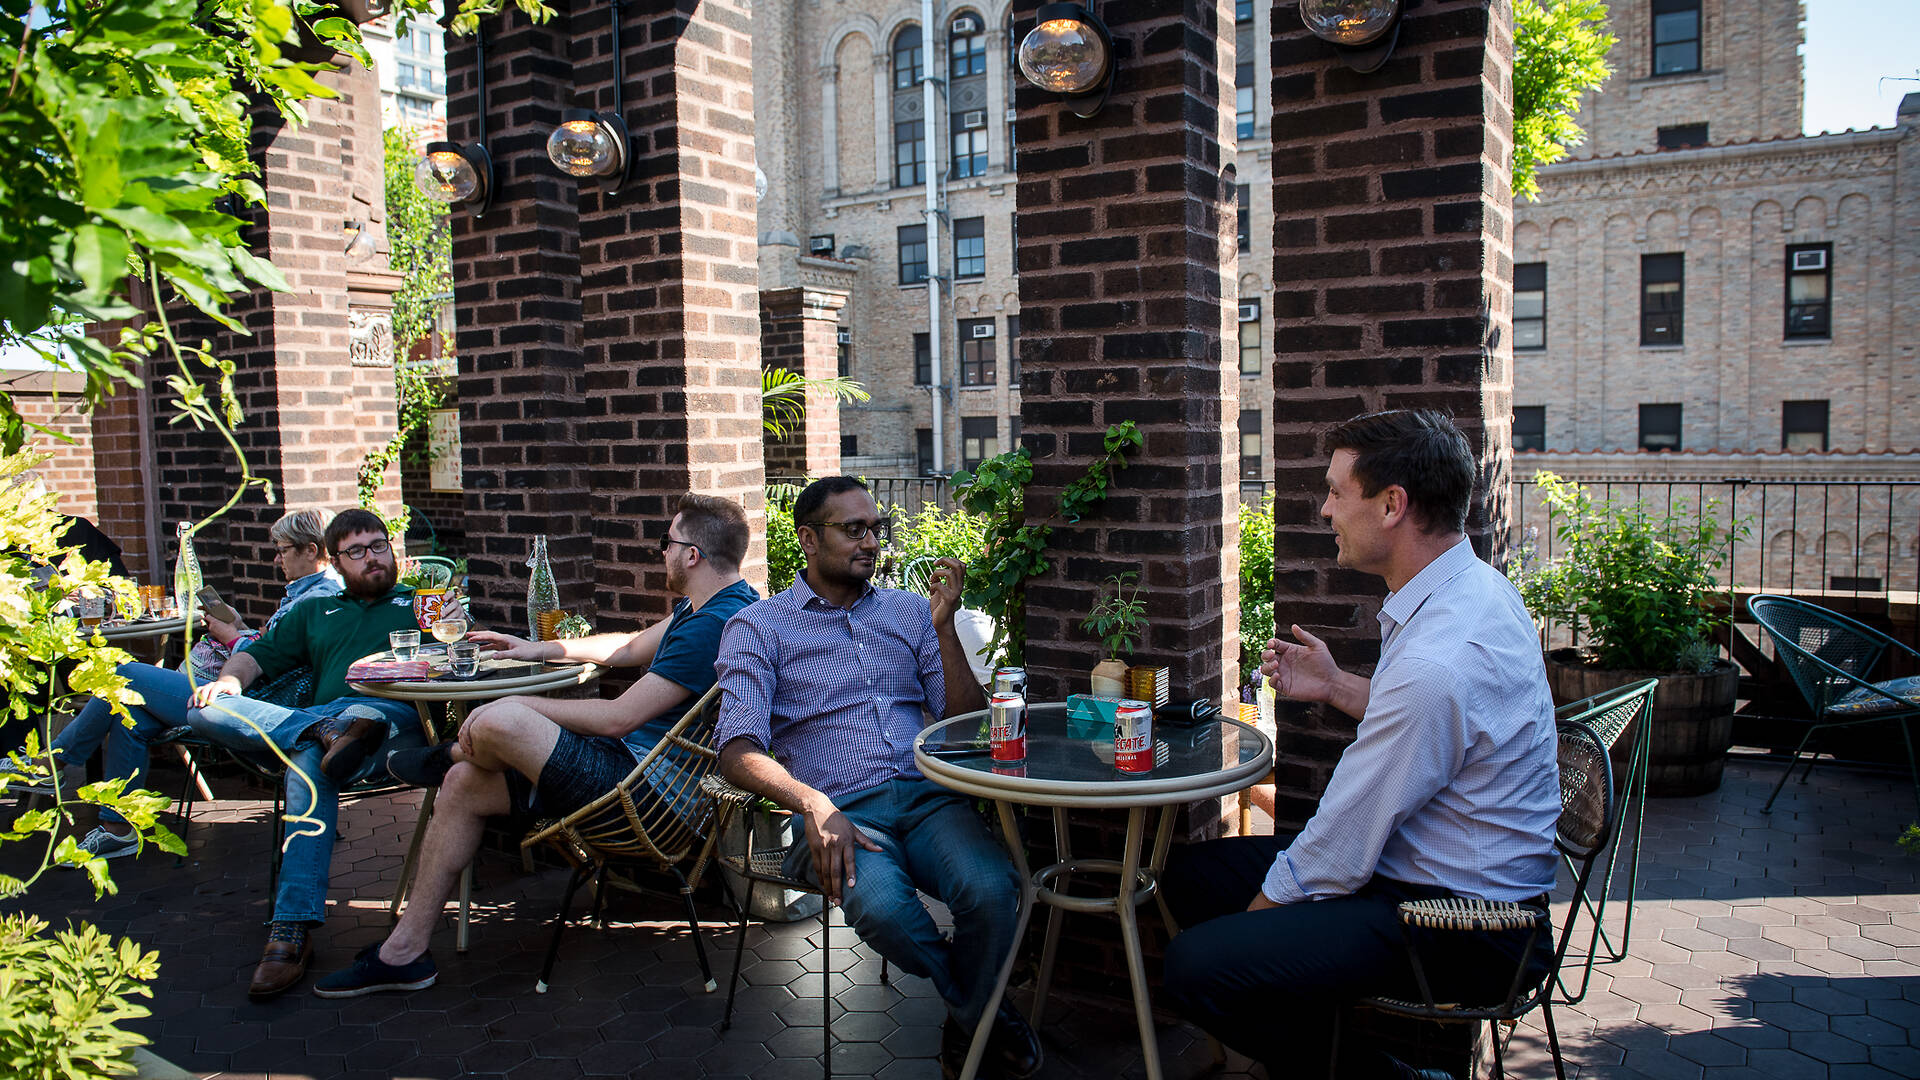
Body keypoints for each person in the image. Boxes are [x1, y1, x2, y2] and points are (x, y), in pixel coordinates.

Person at [1159, 410, 1562, 1080]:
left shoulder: (1439, 659)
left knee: (1197, 968)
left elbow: (1341, 843)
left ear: (1392, 505)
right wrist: (1342, 687)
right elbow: (1445, 732)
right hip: (1428, 874)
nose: (1324, 509)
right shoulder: (1471, 591)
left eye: (1337, 492)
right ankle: (1314, 1055)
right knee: (1192, 880)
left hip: (1470, 928)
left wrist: (1259, 929)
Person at [311, 494, 759, 997]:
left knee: (500, 717)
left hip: (644, 797)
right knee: (462, 783)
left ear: (691, 554)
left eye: (665, 543)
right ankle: (404, 952)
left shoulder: (714, 626)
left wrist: (521, 705)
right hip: (624, 774)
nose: (661, 553)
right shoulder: (713, 606)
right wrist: (538, 648)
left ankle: (445, 753)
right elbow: (629, 646)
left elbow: (617, 718)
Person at [712, 476, 1040, 1080]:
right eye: (853, 529)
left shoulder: (911, 613)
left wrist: (944, 629)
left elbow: (963, 725)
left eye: (876, 529)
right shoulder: (760, 629)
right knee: (887, 910)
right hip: (840, 813)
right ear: (808, 538)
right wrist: (810, 802)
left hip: (927, 799)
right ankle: (984, 1014)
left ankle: (969, 1018)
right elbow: (735, 751)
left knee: (994, 891)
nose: (872, 542)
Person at [0, 508, 344, 860]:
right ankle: (117, 828)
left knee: (123, 672)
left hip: (251, 703)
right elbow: (278, 651)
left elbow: (273, 666)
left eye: (282, 549)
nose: (276, 558)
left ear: (311, 551)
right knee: (127, 712)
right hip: (245, 691)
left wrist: (231, 638)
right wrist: (240, 629)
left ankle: (54, 764)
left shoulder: (319, 598)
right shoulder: (308, 592)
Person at [184, 508, 429, 1000]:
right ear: (336, 562)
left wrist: (452, 628)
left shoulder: (421, 605)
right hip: (332, 728)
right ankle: (323, 728)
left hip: (388, 722)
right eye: (356, 552)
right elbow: (259, 655)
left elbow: (462, 652)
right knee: (201, 712)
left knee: (311, 762)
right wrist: (229, 681)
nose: (372, 558)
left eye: (379, 545)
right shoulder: (315, 611)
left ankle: (290, 930)